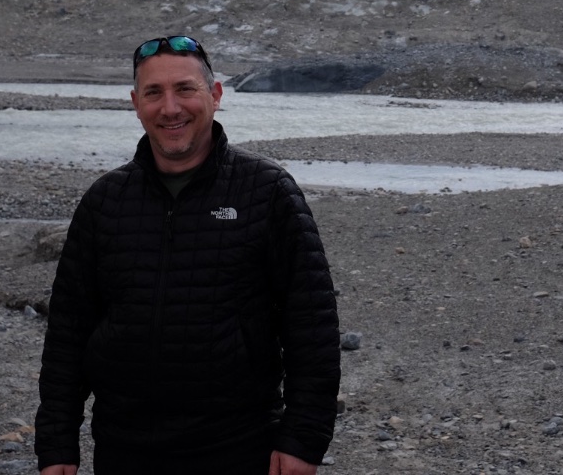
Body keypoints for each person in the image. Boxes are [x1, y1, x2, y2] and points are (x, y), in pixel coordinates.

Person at [35, 35, 340, 475]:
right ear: (136, 104)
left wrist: (303, 440)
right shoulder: (105, 201)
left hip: (239, 445)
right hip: (124, 448)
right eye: (154, 93)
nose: (170, 108)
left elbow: (312, 327)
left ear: (214, 96)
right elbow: (68, 331)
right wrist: (57, 444)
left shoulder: (267, 191)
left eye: (185, 90)